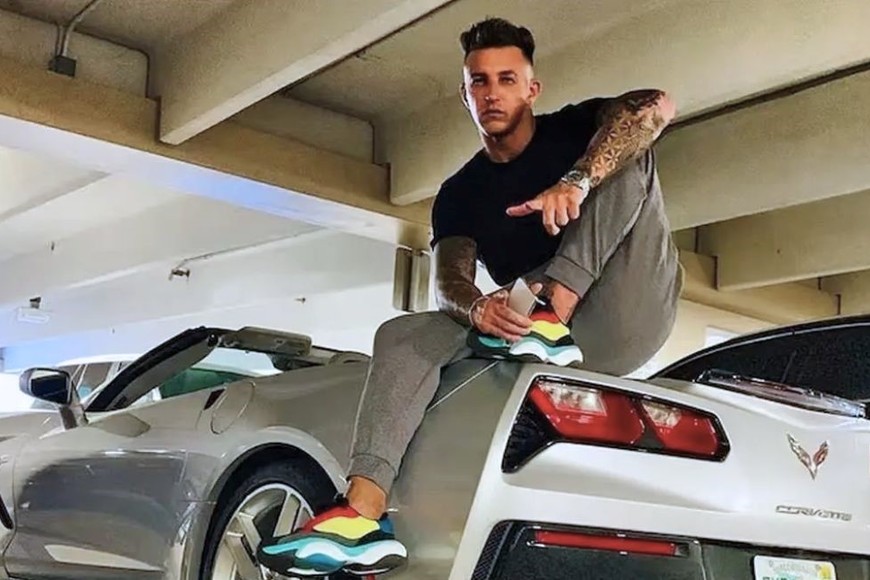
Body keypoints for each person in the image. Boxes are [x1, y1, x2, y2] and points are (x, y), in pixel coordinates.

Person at [258, 16, 682, 578]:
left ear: (532, 89)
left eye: (507, 79)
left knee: (631, 149)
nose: (492, 93)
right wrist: (480, 307)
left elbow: (656, 105)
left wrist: (576, 181)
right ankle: (362, 516)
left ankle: (554, 311)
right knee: (403, 333)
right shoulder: (460, 193)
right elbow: (448, 283)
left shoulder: (575, 130)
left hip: (630, 300)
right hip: (539, 330)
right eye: (479, 81)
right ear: (465, 95)